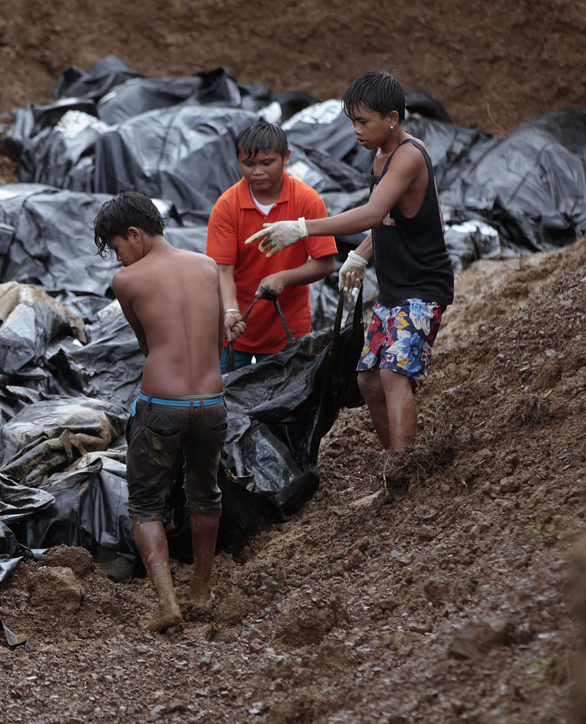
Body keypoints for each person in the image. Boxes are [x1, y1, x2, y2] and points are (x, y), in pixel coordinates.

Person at [243, 70, 454, 451]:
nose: (355, 130)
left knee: (392, 374)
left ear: (392, 118)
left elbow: (373, 213)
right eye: (352, 121)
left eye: (363, 121)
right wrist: (360, 254)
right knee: (368, 380)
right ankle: (397, 460)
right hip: (394, 288)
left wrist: (304, 228)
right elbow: (393, 218)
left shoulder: (408, 157)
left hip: (423, 285)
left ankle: (403, 468)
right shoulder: (380, 157)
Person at [94, 191, 228, 632]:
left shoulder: (127, 281)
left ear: (134, 234)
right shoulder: (207, 266)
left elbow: (146, 343)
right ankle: (202, 592)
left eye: (117, 248)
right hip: (211, 403)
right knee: (204, 492)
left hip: (162, 407)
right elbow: (216, 339)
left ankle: (167, 603)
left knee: (146, 504)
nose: (119, 258)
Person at [207, 120, 337, 372]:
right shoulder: (227, 206)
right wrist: (230, 310)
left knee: (285, 402)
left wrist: (283, 278)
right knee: (226, 400)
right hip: (237, 326)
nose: (257, 171)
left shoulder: (306, 200)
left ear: (286, 157)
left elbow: (325, 263)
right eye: (248, 164)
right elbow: (223, 270)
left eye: (266, 163)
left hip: (288, 327)